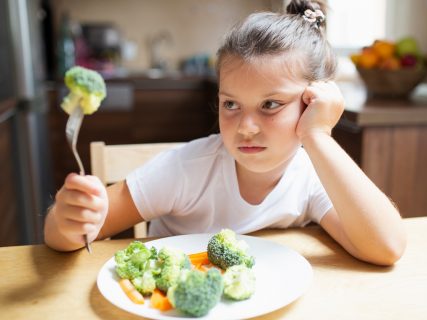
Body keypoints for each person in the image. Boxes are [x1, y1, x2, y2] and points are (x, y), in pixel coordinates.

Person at [44, 0, 406, 266]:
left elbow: (386, 247)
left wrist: (320, 137)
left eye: (270, 105)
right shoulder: (185, 170)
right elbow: (74, 236)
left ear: (313, 102)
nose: (246, 127)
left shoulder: (311, 173)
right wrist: (66, 222)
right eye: (231, 105)